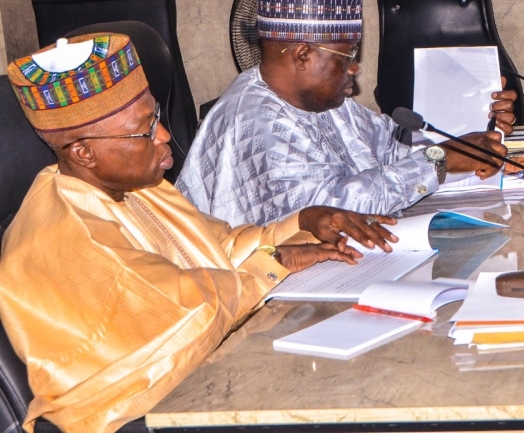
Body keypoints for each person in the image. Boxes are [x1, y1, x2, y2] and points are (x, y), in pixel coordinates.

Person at [0, 33, 398, 433]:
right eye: (144, 131)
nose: (164, 136)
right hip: (138, 415)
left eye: (156, 117)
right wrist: (274, 264)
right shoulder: (65, 236)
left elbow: (217, 247)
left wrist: (301, 223)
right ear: (84, 153)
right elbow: (186, 317)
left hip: (204, 381)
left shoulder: (137, 188)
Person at [177, 0, 514, 227]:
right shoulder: (254, 124)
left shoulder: (321, 100)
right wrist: (439, 160)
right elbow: (333, 208)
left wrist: (476, 128)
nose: (355, 67)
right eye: (346, 55)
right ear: (303, 55)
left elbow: (389, 145)